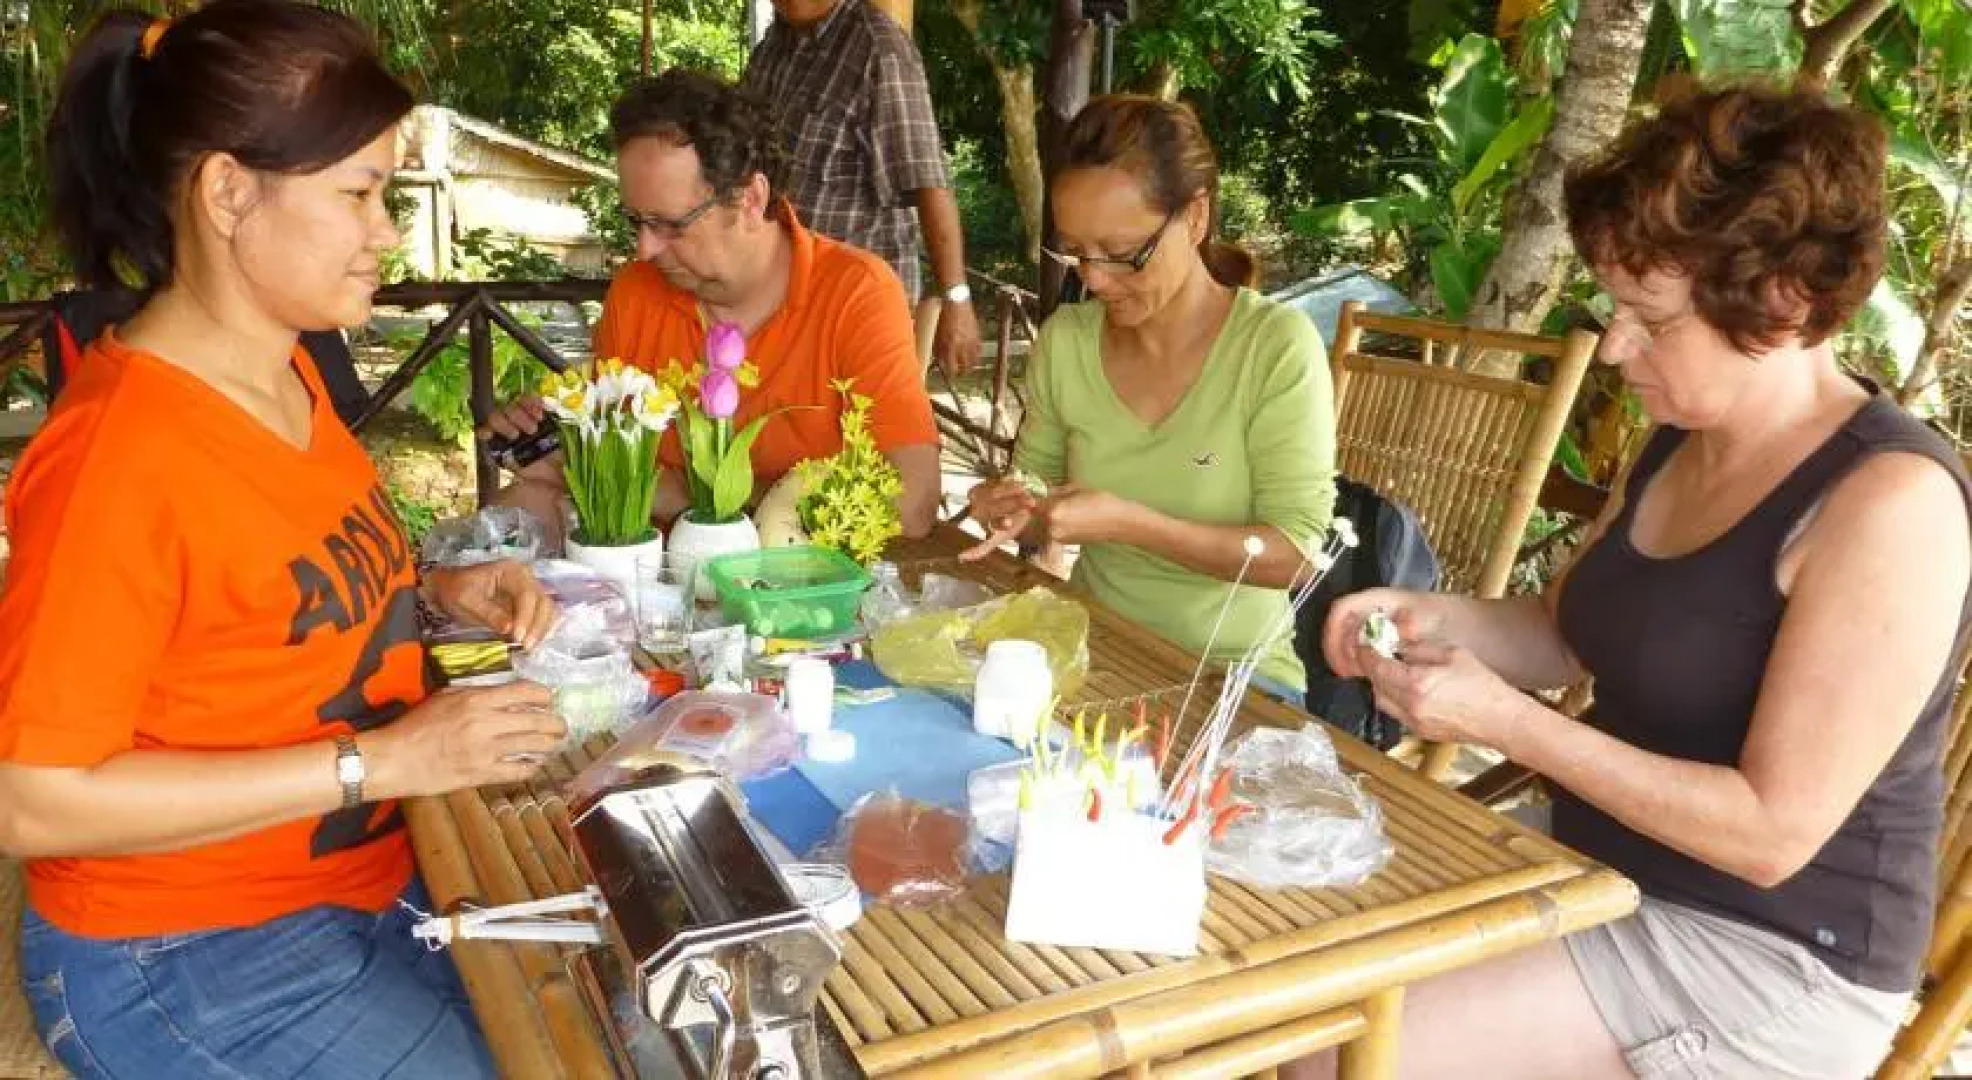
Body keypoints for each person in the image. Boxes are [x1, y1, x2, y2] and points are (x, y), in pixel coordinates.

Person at [1296, 85, 1972, 1080]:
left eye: (1648, 319)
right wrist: (1425, 616)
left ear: (1780, 307)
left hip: (1766, 952)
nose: (1612, 346)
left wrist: (1508, 724)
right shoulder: (1677, 441)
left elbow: (1769, 834)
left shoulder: (1889, 505)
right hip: (1602, 865)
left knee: (1337, 1047)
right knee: (1285, 932)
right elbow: (1569, 632)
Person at [0, 5, 567, 1078]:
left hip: (363, 878)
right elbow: (32, 798)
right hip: (181, 948)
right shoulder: (115, 459)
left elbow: (267, 608)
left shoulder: (285, 370)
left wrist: (443, 592)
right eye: (357, 192)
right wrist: (388, 758)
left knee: (609, 1020)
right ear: (226, 193)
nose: (387, 229)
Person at [961, 96, 1336, 695]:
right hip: (1095, 648)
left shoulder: (1273, 348)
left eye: (1123, 254)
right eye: (1077, 253)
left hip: (1235, 678)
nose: (1096, 279)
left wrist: (1133, 524)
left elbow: (1294, 556)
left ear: (1195, 217)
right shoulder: (1068, 343)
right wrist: (1011, 511)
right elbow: (1036, 510)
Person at [489, 69, 942, 545]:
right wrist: (563, 457)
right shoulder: (637, 291)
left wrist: (689, 498)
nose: (645, 249)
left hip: (803, 597)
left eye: (669, 225)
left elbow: (911, 504)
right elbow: (610, 479)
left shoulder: (855, 292)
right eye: (635, 222)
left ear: (750, 198)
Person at [744, 0, 983, 374]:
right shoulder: (773, 47)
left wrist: (957, 299)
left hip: (857, 307)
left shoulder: (879, 50)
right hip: (779, 301)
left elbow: (928, 181)